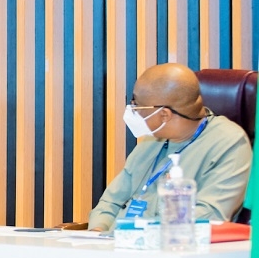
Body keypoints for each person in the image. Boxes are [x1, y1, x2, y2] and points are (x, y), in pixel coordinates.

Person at [87, 63, 253, 231]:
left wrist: (139, 236)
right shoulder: (151, 140)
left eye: (137, 104)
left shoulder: (229, 143)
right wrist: (97, 234)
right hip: (116, 247)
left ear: (164, 114)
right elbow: (110, 202)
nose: (133, 110)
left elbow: (209, 215)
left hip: (170, 247)